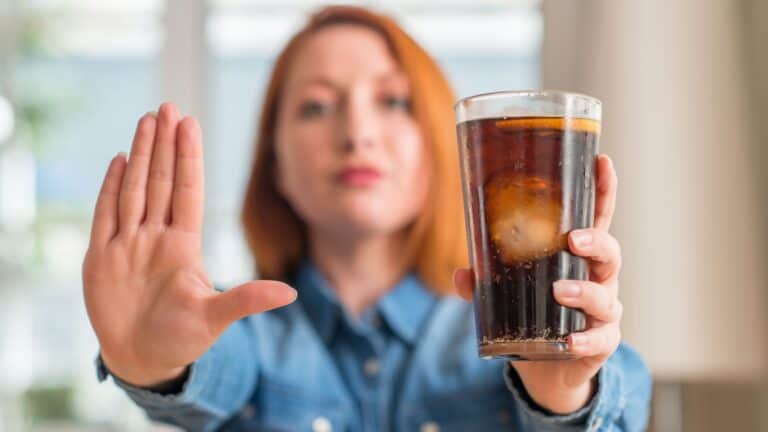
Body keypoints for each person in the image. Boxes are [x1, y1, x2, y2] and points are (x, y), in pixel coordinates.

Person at [82, 5, 650, 431]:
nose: (357, 133)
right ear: (275, 162)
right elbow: (212, 370)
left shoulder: (513, 328)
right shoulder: (236, 327)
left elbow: (629, 395)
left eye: (393, 101)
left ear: (442, 147)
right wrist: (153, 363)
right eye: (317, 106)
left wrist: (566, 394)